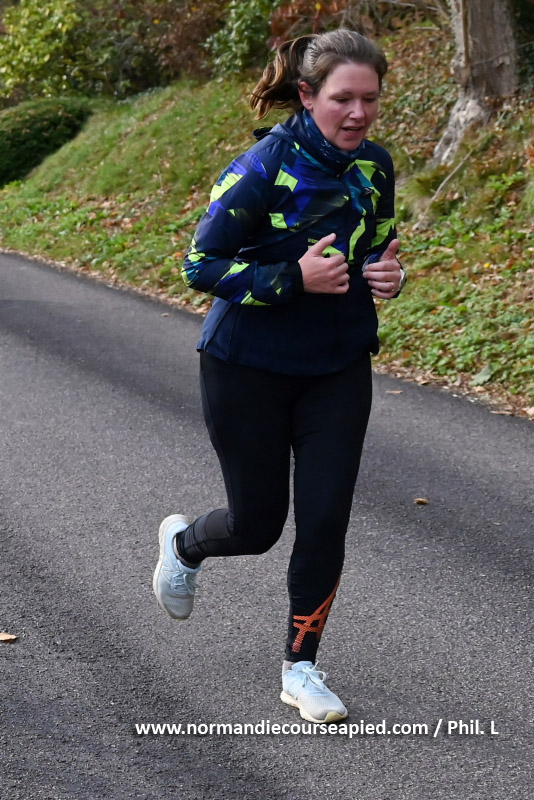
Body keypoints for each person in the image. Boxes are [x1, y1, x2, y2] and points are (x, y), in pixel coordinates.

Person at [153, 28, 405, 724]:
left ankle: (301, 668)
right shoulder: (262, 167)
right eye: (343, 99)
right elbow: (199, 266)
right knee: (258, 524)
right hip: (247, 368)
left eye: (370, 99)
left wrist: (390, 274)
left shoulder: (376, 165)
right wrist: (292, 278)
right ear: (307, 94)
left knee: (325, 519)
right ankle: (184, 544)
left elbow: (376, 246)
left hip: (338, 365)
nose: (358, 113)